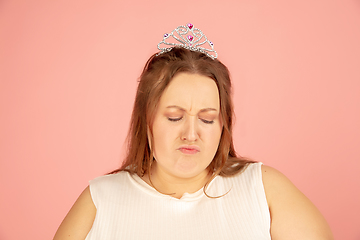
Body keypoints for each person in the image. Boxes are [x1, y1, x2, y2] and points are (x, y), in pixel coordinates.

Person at [53, 23, 333, 240]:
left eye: (208, 119)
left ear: (223, 125)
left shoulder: (263, 189)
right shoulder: (101, 198)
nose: (191, 133)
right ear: (146, 121)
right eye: (175, 117)